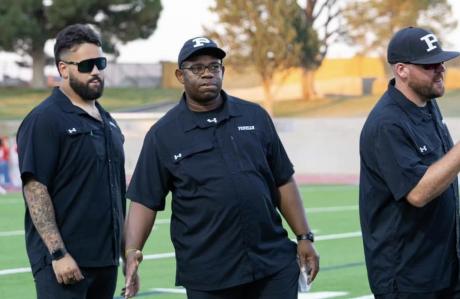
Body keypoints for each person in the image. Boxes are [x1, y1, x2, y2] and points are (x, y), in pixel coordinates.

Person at [123, 36, 320, 299]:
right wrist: (131, 252)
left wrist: (304, 236)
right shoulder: (163, 134)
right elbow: (144, 200)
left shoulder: (254, 116)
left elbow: (282, 179)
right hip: (209, 274)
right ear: (180, 75)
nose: (207, 73)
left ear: (223, 71)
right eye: (197, 68)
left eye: (214, 66)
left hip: (271, 263)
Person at [17, 24, 126, 299]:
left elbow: (115, 191)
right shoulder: (45, 119)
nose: (96, 72)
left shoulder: (108, 121)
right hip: (64, 264)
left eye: (100, 63)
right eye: (87, 65)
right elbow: (35, 188)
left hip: (106, 261)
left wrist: (126, 250)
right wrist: (58, 253)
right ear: (63, 69)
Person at [359, 26, 460, 299]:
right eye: (429, 65)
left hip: (443, 269)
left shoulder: (427, 104)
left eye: (441, 62)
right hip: (407, 279)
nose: (440, 68)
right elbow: (418, 192)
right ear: (401, 70)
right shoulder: (386, 124)